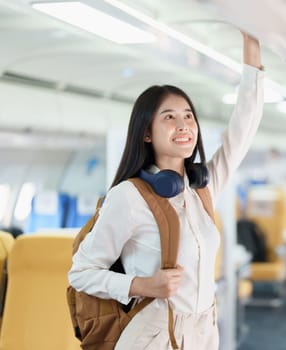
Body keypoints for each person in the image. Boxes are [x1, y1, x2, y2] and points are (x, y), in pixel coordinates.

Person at [68, 31, 264, 350]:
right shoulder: (129, 196)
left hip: (203, 330)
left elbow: (244, 127)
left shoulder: (201, 187)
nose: (183, 124)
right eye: (169, 117)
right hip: (154, 335)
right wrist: (142, 285)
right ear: (147, 133)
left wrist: (251, 42)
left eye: (188, 116)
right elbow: (81, 273)